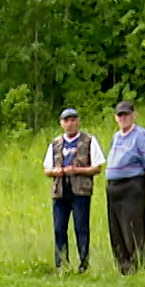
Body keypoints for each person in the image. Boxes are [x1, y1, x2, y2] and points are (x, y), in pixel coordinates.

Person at [42, 108, 104, 273]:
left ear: (78, 121)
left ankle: (84, 264)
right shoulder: (55, 143)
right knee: (59, 228)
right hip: (60, 191)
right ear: (61, 123)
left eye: (73, 120)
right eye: (67, 120)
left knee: (81, 228)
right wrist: (58, 172)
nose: (70, 123)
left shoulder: (89, 140)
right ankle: (61, 264)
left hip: (80, 192)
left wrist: (77, 170)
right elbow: (46, 169)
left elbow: (97, 168)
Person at [104, 100, 145, 274]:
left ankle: (138, 267)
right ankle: (123, 268)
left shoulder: (140, 135)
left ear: (134, 115)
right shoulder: (116, 137)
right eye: (120, 115)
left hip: (132, 186)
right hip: (114, 187)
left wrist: (144, 190)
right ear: (115, 118)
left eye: (126, 115)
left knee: (132, 228)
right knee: (116, 229)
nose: (123, 118)